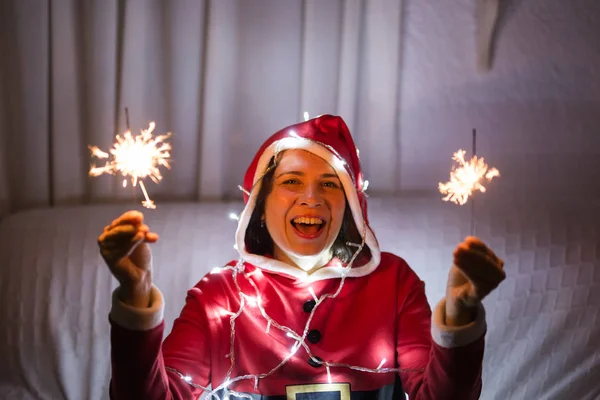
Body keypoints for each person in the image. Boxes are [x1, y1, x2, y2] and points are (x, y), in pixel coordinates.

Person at [99, 115, 506, 400]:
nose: (311, 197)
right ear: (260, 202)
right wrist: (135, 298)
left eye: (329, 184)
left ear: (351, 205)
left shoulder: (393, 283)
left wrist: (461, 315)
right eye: (291, 181)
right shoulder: (219, 297)